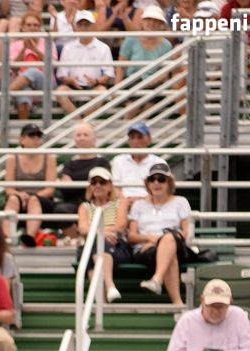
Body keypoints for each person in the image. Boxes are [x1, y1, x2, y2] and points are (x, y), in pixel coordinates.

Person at [118, 162, 194, 306]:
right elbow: (131, 236)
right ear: (147, 183)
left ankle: (157, 280)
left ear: (169, 183)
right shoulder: (139, 205)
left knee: (169, 240)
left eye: (161, 179)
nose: (156, 183)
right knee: (170, 254)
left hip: (175, 244)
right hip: (146, 250)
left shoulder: (181, 202)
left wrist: (160, 241)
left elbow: (186, 232)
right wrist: (151, 238)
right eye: (152, 179)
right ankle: (177, 303)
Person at [76, 167, 127, 303]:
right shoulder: (84, 207)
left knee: (94, 247)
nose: (98, 185)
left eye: (102, 182)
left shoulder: (120, 203)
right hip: (93, 246)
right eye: (94, 182)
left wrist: (97, 231)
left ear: (110, 185)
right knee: (95, 245)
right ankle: (109, 288)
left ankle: (102, 299)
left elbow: (121, 226)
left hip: (116, 246)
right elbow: (82, 228)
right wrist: (104, 233)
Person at [54, 10, 114, 113]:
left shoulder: (104, 48)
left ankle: (81, 121)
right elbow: (62, 75)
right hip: (72, 86)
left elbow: (108, 75)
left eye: (87, 25)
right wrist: (71, 81)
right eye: (80, 25)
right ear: (76, 28)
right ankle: (81, 121)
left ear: (94, 27)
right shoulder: (68, 48)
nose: (83, 27)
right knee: (60, 92)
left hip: (95, 85)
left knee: (102, 92)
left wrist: (96, 81)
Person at [109, 122, 167, 200]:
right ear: (129, 140)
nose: (135, 141)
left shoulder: (159, 162)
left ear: (149, 139)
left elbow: (164, 189)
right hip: (124, 202)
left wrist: (143, 201)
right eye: (132, 137)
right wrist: (125, 202)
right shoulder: (118, 160)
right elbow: (115, 188)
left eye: (140, 137)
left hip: (151, 202)